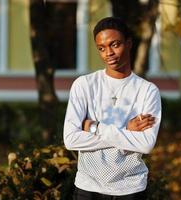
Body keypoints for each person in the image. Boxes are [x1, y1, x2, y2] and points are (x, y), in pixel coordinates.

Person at [63, 17, 161, 200]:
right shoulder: (84, 85)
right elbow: (70, 140)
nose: (109, 53)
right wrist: (125, 132)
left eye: (115, 44)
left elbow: (146, 144)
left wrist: (95, 128)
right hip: (87, 187)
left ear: (129, 43)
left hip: (130, 189)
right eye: (101, 48)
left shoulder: (147, 91)